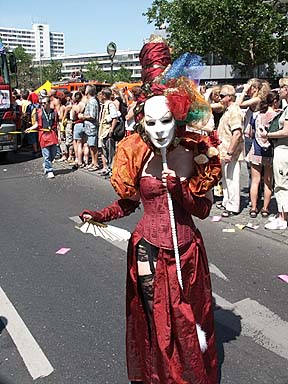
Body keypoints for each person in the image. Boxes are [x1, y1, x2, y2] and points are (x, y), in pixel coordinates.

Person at [79, 36, 221, 384]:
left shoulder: (195, 153)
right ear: (142, 121)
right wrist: (101, 215)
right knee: (156, 323)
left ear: (178, 118)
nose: (159, 130)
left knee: (189, 323)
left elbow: (202, 210)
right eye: (151, 122)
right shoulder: (135, 155)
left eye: (166, 121)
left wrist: (182, 192)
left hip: (187, 253)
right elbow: (128, 203)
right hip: (147, 252)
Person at [246, 91, 280, 218]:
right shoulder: (277, 115)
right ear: (275, 101)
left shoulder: (256, 115)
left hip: (256, 149)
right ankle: (265, 209)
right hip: (271, 150)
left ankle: (254, 208)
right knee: (268, 181)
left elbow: (250, 133)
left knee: (255, 181)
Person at [260, 78, 288, 230]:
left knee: (281, 183)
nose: (279, 90)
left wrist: (268, 135)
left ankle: (282, 218)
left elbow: (286, 131)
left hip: (283, 149)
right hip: (283, 148)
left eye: (282, 88)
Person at [217, 84, 244, 217]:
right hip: (224, 151)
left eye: (222, 96)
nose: (219, 98)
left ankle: (233, 206)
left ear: (230, 97)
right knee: (226, 179)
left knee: (232, 179)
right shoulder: (227, 110)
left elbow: (237, 133)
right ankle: (226, 201)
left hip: (230, 152)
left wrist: (230, 152)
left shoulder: (234, 111)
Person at [26, 96, 58, 179]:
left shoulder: (54, 112)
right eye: (41, 103)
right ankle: (49, 170)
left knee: (54, 153)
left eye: (44, 103)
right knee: (46, 154)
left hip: (52, 134)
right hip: (43, 135)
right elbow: (37, 123)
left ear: (49, 103)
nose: (42, 104)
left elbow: (56, 124)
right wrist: (30, 128)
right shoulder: (39, 112)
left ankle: (47, 164)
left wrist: (60, 136)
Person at [98, 87, 118, 177]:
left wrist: (111, 129)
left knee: (110, 151)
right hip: (102, 131)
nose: (100, 96)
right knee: (105, 151)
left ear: (104, 96)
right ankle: (107, 168)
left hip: (107, 130)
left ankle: (112, 169)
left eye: (101, 94)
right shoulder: (104, 105)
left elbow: (115, 117)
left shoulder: (110, 105)